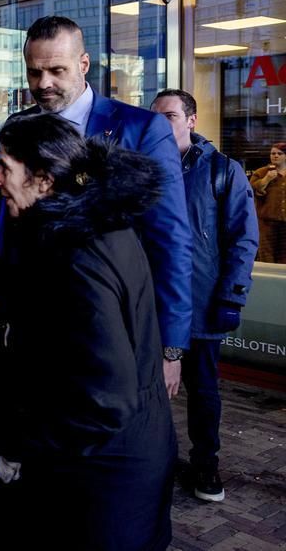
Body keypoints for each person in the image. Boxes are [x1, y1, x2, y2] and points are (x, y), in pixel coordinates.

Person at [0, 114, 176, 551]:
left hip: (103, 482)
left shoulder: (78, 255)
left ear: (44, 180)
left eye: (4, 168)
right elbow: (57, 315)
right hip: (112, 466)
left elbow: (104, 401)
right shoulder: (83, 228)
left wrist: (19, 447)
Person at [0, 15, 193, 397]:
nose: (44, 83)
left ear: (84, 64)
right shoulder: (20, 125)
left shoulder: (141, 130)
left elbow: (169, 239)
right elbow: (4, 226)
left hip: (109, 326)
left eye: (57, 70)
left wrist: (170, 346)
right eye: (34, 72)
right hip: (32, 325)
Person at [151, 90, 259, 503]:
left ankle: (205, 466)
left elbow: (243, 240)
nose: (161, 124)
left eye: (170, 116)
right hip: (151, 305)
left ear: (192, 120)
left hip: (201, 304)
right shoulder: (144, 169)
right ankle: (153, 462)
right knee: (148, 389)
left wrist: (232, 298)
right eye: (155, 117)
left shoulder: (222, 170)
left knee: (202, 391)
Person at [250, 142, 286, 263]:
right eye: (273, 153)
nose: (275, 156)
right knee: (267, 256)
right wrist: (267, 179)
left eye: (279, 153)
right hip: (266, 222)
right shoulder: (261, 172)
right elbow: (252, 189)